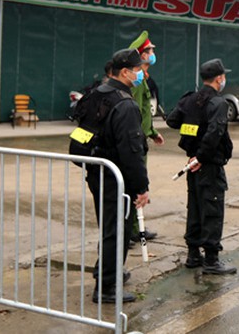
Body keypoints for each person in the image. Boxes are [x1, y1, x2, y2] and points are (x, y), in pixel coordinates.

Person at [80, 48, 150, 303]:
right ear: (124, 72)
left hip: (97, 172)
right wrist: (142, 186)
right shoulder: (125, 104)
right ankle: (106, 287)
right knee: (117, 231)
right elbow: (131, 151)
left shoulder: (95, 94)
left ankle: (106, 271)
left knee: (109, 228)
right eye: (138, 69)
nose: (142, 73)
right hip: (116, 178)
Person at [165, 58, 237, 275]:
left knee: (195, 207)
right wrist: (201, 157)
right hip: (208, 164)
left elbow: (172, 121)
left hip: (192, 164)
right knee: (212, 210)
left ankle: (193, 254)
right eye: (223, 76)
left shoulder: (190, 99)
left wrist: (194, 150)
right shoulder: (219, 103)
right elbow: (215, 133)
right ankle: (211, 260)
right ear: (219, 78)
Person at [128, 30, 164, 243]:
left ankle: (134, 227)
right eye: (148, 50)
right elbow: (134, 112)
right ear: (141, 55)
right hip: (135, 140)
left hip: (142, 136)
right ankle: (131, 230)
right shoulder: (137, 81)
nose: (152, 53)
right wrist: (141, 135)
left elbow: (144, 112)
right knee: (136, 183)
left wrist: (152, 132)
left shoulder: (144, 79)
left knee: (137, 183)